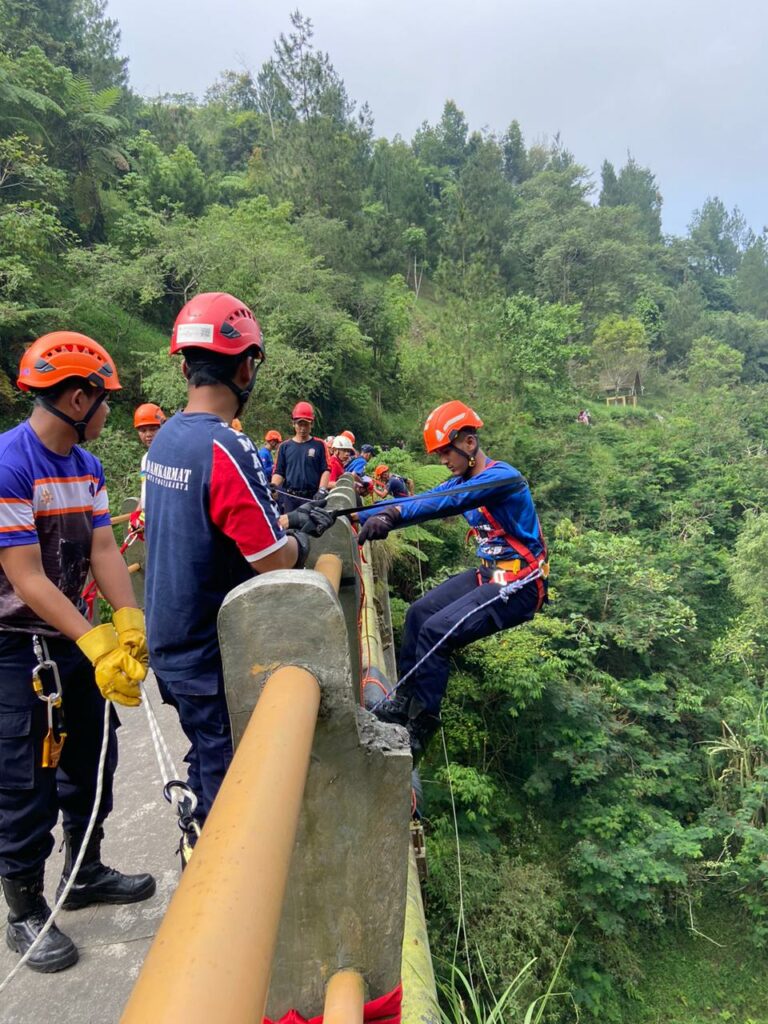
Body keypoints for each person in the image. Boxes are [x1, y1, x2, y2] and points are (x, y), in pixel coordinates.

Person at [144, 293, 333, 825]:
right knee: (233, 793)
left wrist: (289, 520)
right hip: (209, 656)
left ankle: (195, 827)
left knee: (206, 755)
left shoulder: (166, 441)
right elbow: (273, 561)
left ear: (184, 365)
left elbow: (213, 528)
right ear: (246, 367)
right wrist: (305, 541)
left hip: (170, 648)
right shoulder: (228, 446)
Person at [0, 332, 155, 973]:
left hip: (72, 637)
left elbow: (102, 551)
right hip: (15, 649)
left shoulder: (85, 467)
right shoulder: (12, 464)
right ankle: (25, 910)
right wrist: (95, 640)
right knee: (24, 779)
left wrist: (128, 621)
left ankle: (84, 871)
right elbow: (26, 575)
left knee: (95, 756)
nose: (110, 411)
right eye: (105, 399)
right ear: (75, 396)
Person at [357, 401, 548, 760]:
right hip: (490, 574)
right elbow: (422, 499)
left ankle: (422, 725)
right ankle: (402, 702)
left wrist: (393, 515)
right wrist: (361, 515)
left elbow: (441, 503)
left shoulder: (500, 478)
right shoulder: (462, 480)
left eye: (446, 452)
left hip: (521, 582)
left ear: (469, 443)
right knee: (417, 614)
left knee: (436, 631)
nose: (444, 460)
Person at [271, 401, 330, 513]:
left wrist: (322, 490)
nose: (302, 428)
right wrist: (273, 486)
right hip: (290, 498)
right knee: (289, 528)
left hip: (311, 497)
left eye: (306, 424)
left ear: (311, 424)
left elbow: (326, 469)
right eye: (299, 424)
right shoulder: (284, 446)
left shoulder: (319, 445)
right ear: (293, 424)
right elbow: (279, 471)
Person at [133, 402, 166, 510]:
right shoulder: (145, 458)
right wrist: (138, 512)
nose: (148, 434)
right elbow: (145, 489)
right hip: (149, 517)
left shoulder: (171, 457)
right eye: (143, 430)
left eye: (152, 429)